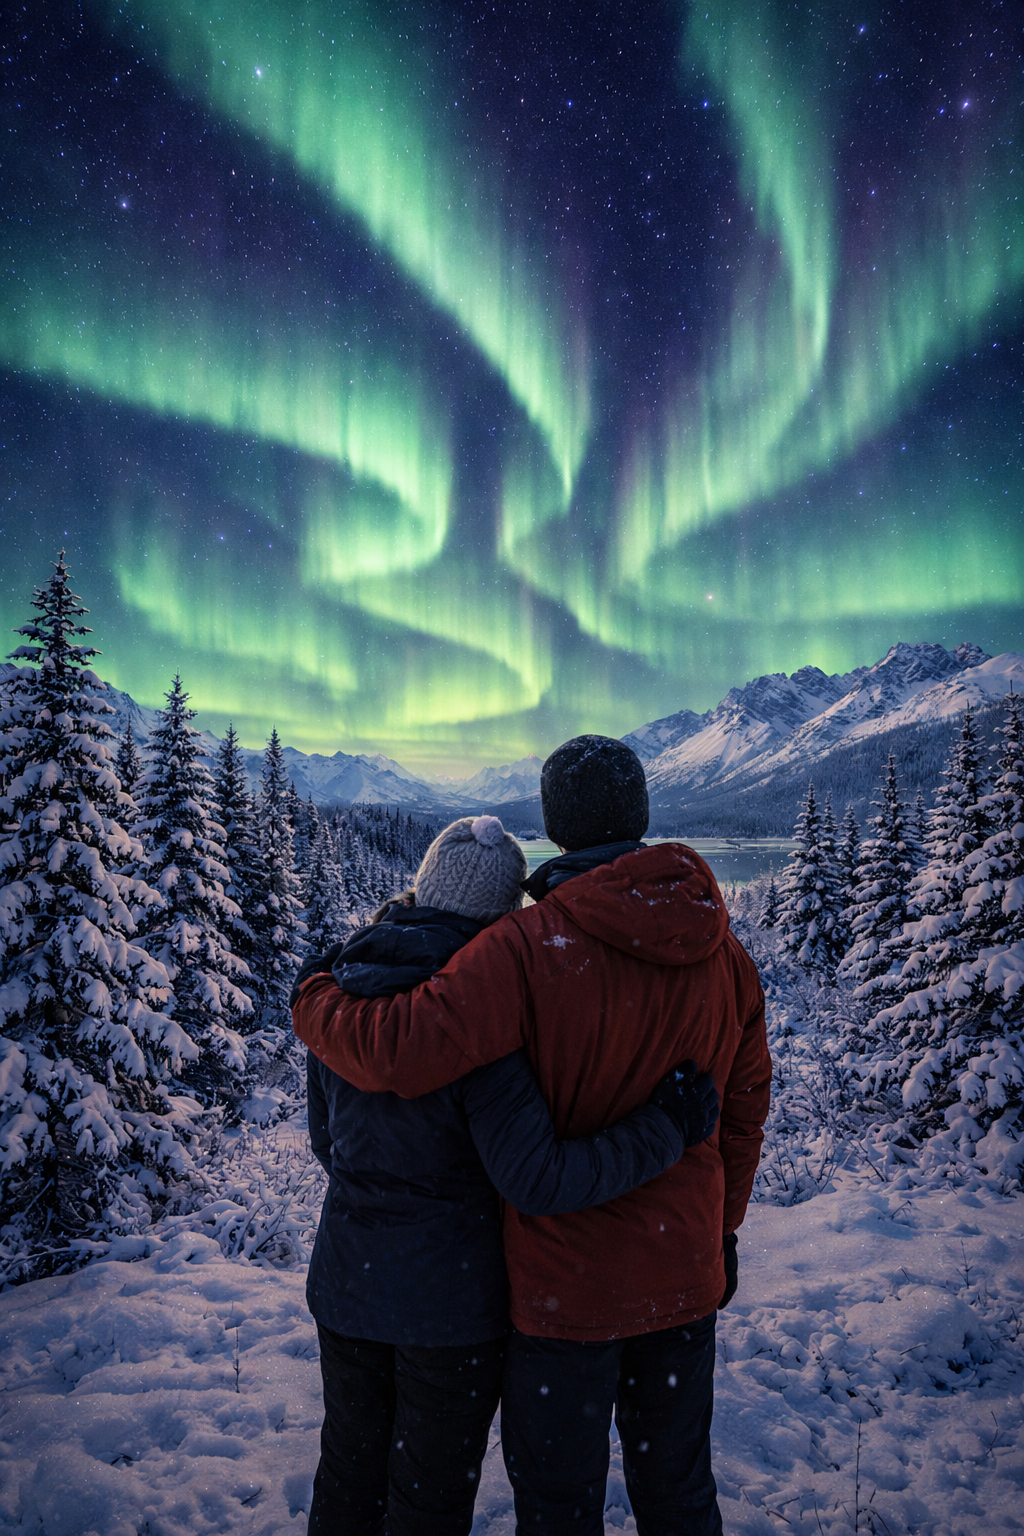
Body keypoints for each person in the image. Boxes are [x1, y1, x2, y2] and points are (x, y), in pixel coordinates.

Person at [295, 743, 770, 1535]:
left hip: (564, 1292)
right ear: (642, 814)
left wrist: (314, 997)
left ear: (552, 826)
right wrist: (721, 1230)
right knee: (680, 1492)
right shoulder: (724, 954)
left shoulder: (521, 950)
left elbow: (398, 1049)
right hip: (682, 1269)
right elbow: (745, 1107)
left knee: (558, 1508)